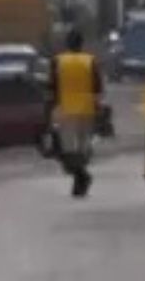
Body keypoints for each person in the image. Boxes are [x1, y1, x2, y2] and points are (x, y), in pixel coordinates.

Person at [52, 26, 105, 197]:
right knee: (82, 149)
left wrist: (50, 110)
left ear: (67, 43)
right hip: (86, 110)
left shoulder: (58, 61)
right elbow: (98, 88)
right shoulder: (90, 61)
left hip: (65, 109)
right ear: (82, 44)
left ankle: (81, 177)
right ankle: (80, 181)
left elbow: (52, 87)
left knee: (68, 151)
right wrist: (98, 108)